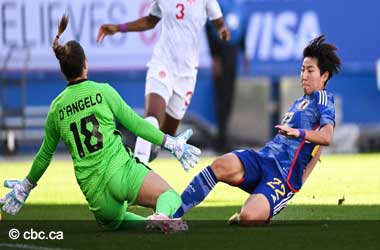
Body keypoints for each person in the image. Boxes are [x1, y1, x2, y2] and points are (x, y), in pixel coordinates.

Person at [0, 15, 201, 232]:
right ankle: (161, 216)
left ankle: (148, 226)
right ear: (85, 64)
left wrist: (26, 186)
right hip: (120, 172)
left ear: (63, 71)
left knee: (113, 222)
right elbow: (136, 124)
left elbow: (44, 155)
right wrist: (170, 143)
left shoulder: (56, 108)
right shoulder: (102, 91)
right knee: (169, 196)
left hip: (94, 191)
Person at [173, 35, 341, 225]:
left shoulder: (324, 100)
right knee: (219, 165)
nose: (304, 75)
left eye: (310, 70)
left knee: (248, 218)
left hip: (282, 177)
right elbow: (314, 150)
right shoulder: (299, 102)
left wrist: (299, 137)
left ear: (324, 75)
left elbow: (326, 138)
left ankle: (257, 210)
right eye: (302, 69)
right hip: (263, 158)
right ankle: (172, 216)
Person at [96, 0, 231, 164]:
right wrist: (118, 28)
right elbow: (150, 21)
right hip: (163, 63)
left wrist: (223, 31)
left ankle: (145, 153)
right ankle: (136, 171)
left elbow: (219, 24)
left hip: (186, 74)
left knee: (166, 135)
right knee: (152, 119)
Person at [205, 0, 248, 153]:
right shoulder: (219, 3)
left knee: (229, 96)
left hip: (233, 51)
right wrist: (215, 56)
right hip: (221, 50)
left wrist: (244, 52)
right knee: (221, 95)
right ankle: (220, 139)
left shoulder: (240, 4)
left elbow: (243, 27)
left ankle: (225, 136)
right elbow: (209, 27)